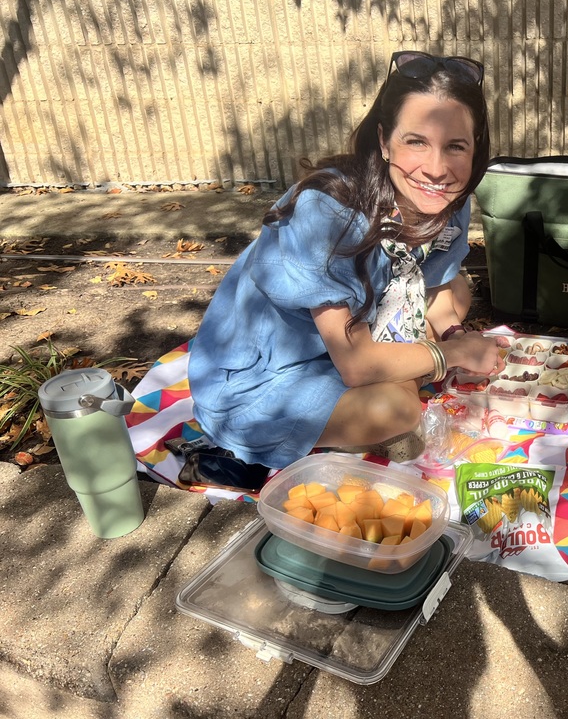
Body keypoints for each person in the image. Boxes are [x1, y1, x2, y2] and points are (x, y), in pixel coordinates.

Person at [187, 51, 505, 473]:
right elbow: (356, 364)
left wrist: (456, 333)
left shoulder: (450, 198)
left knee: (458, 289)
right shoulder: (328, 212)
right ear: (384, 141)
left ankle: (400, 381)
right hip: (268, 379)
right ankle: (388, 400)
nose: (436, 169)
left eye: (455, 147)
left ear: (474, 150)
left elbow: (437, 293)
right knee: (396, 409)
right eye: (416, 142)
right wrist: (451, 354)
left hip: (361, 337)